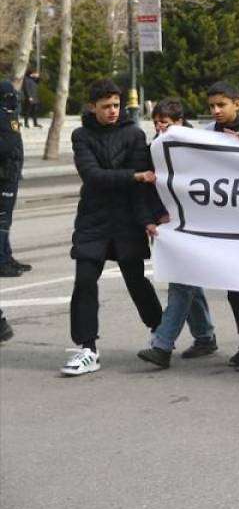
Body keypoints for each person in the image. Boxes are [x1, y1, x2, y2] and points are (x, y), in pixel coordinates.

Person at [62, 79, 163, 376]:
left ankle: (161, 333)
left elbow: (142, 185)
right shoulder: (81, 135)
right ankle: (88, 349)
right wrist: (134, 176)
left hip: (127, 220)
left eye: (116, 105)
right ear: (92, 107)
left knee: (136, 281)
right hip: (93, 219)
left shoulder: (134, 134)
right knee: (84, 281)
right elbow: (92, 176)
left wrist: (147, 219)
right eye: (106, 106)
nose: (113, 111)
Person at [136, 99, 218, 369]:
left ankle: (162, 345)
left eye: (165, 123)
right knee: (187, 280)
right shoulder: (153, 149)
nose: (160, 127)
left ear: (180, 122)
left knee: (181, 283)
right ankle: (204, 336)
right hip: (168, 227)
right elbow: (146, 191)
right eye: (156, 122)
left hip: (194, 226)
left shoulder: (199, 148)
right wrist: (151, 219)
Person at [195, 81, 239, 371]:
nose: (216, 110)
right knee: (234, 284)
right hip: (223, 222)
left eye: (221, 105)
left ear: (237, 104)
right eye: (211, 106)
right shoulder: (205, 135)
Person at [1, 79, 31, 278]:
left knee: (5, 219)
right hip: (5, 174)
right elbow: (7, 145)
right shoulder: (5, 115)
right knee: (3, 219)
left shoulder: (8, 114)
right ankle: (2, 261)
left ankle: (6, 256)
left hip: (9, 172)